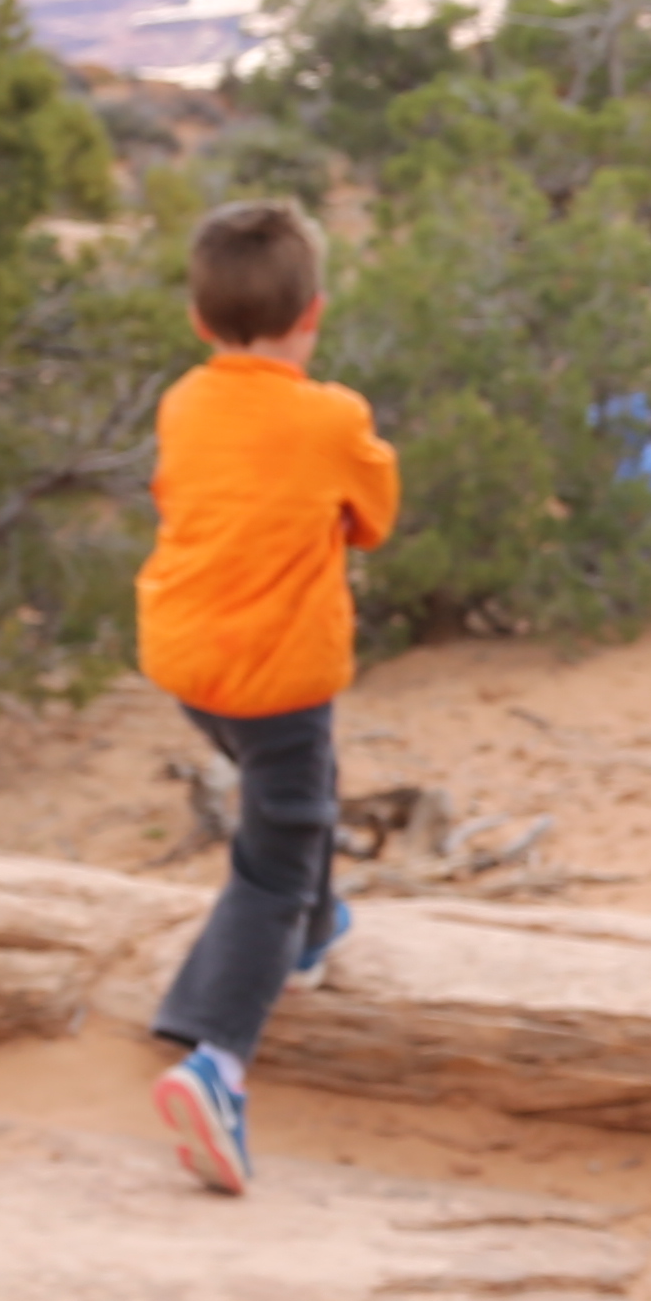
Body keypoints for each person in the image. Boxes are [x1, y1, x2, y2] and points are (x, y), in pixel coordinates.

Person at [129, 198, 400, 1198]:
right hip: (279, 674)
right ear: (314, 312)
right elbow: (373, 517)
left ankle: (315, 931)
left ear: (200, 322)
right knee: (273, 857)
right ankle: (216, 1058)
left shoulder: (183, 402)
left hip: (188, 662)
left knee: (297, 801)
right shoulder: (332, 416)